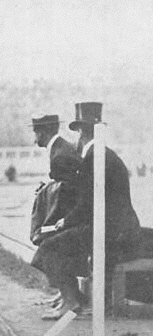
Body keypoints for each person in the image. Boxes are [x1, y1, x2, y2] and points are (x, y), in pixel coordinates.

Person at [31, 102, 140, 320]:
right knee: (59, 241)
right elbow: (90, 200)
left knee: (49, 247)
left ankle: (72, 302)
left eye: (78, 133)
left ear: (81, 131)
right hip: (114, 225)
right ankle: (73, 298)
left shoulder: (95, 157)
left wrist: (65, 222)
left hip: (111, 230)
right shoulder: (102, 153)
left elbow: (87, 202)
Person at [29, 114, 81, 318]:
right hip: (74, 215)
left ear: (42, 133)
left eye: (36, 134)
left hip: (73, 218)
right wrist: (49, 187)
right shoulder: (60, 149)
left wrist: (52, 224)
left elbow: (68, 192)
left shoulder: (60, 154)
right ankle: (66, 295)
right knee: (50, 241)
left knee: (48, 247)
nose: (35, 139)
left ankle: (71, 301)